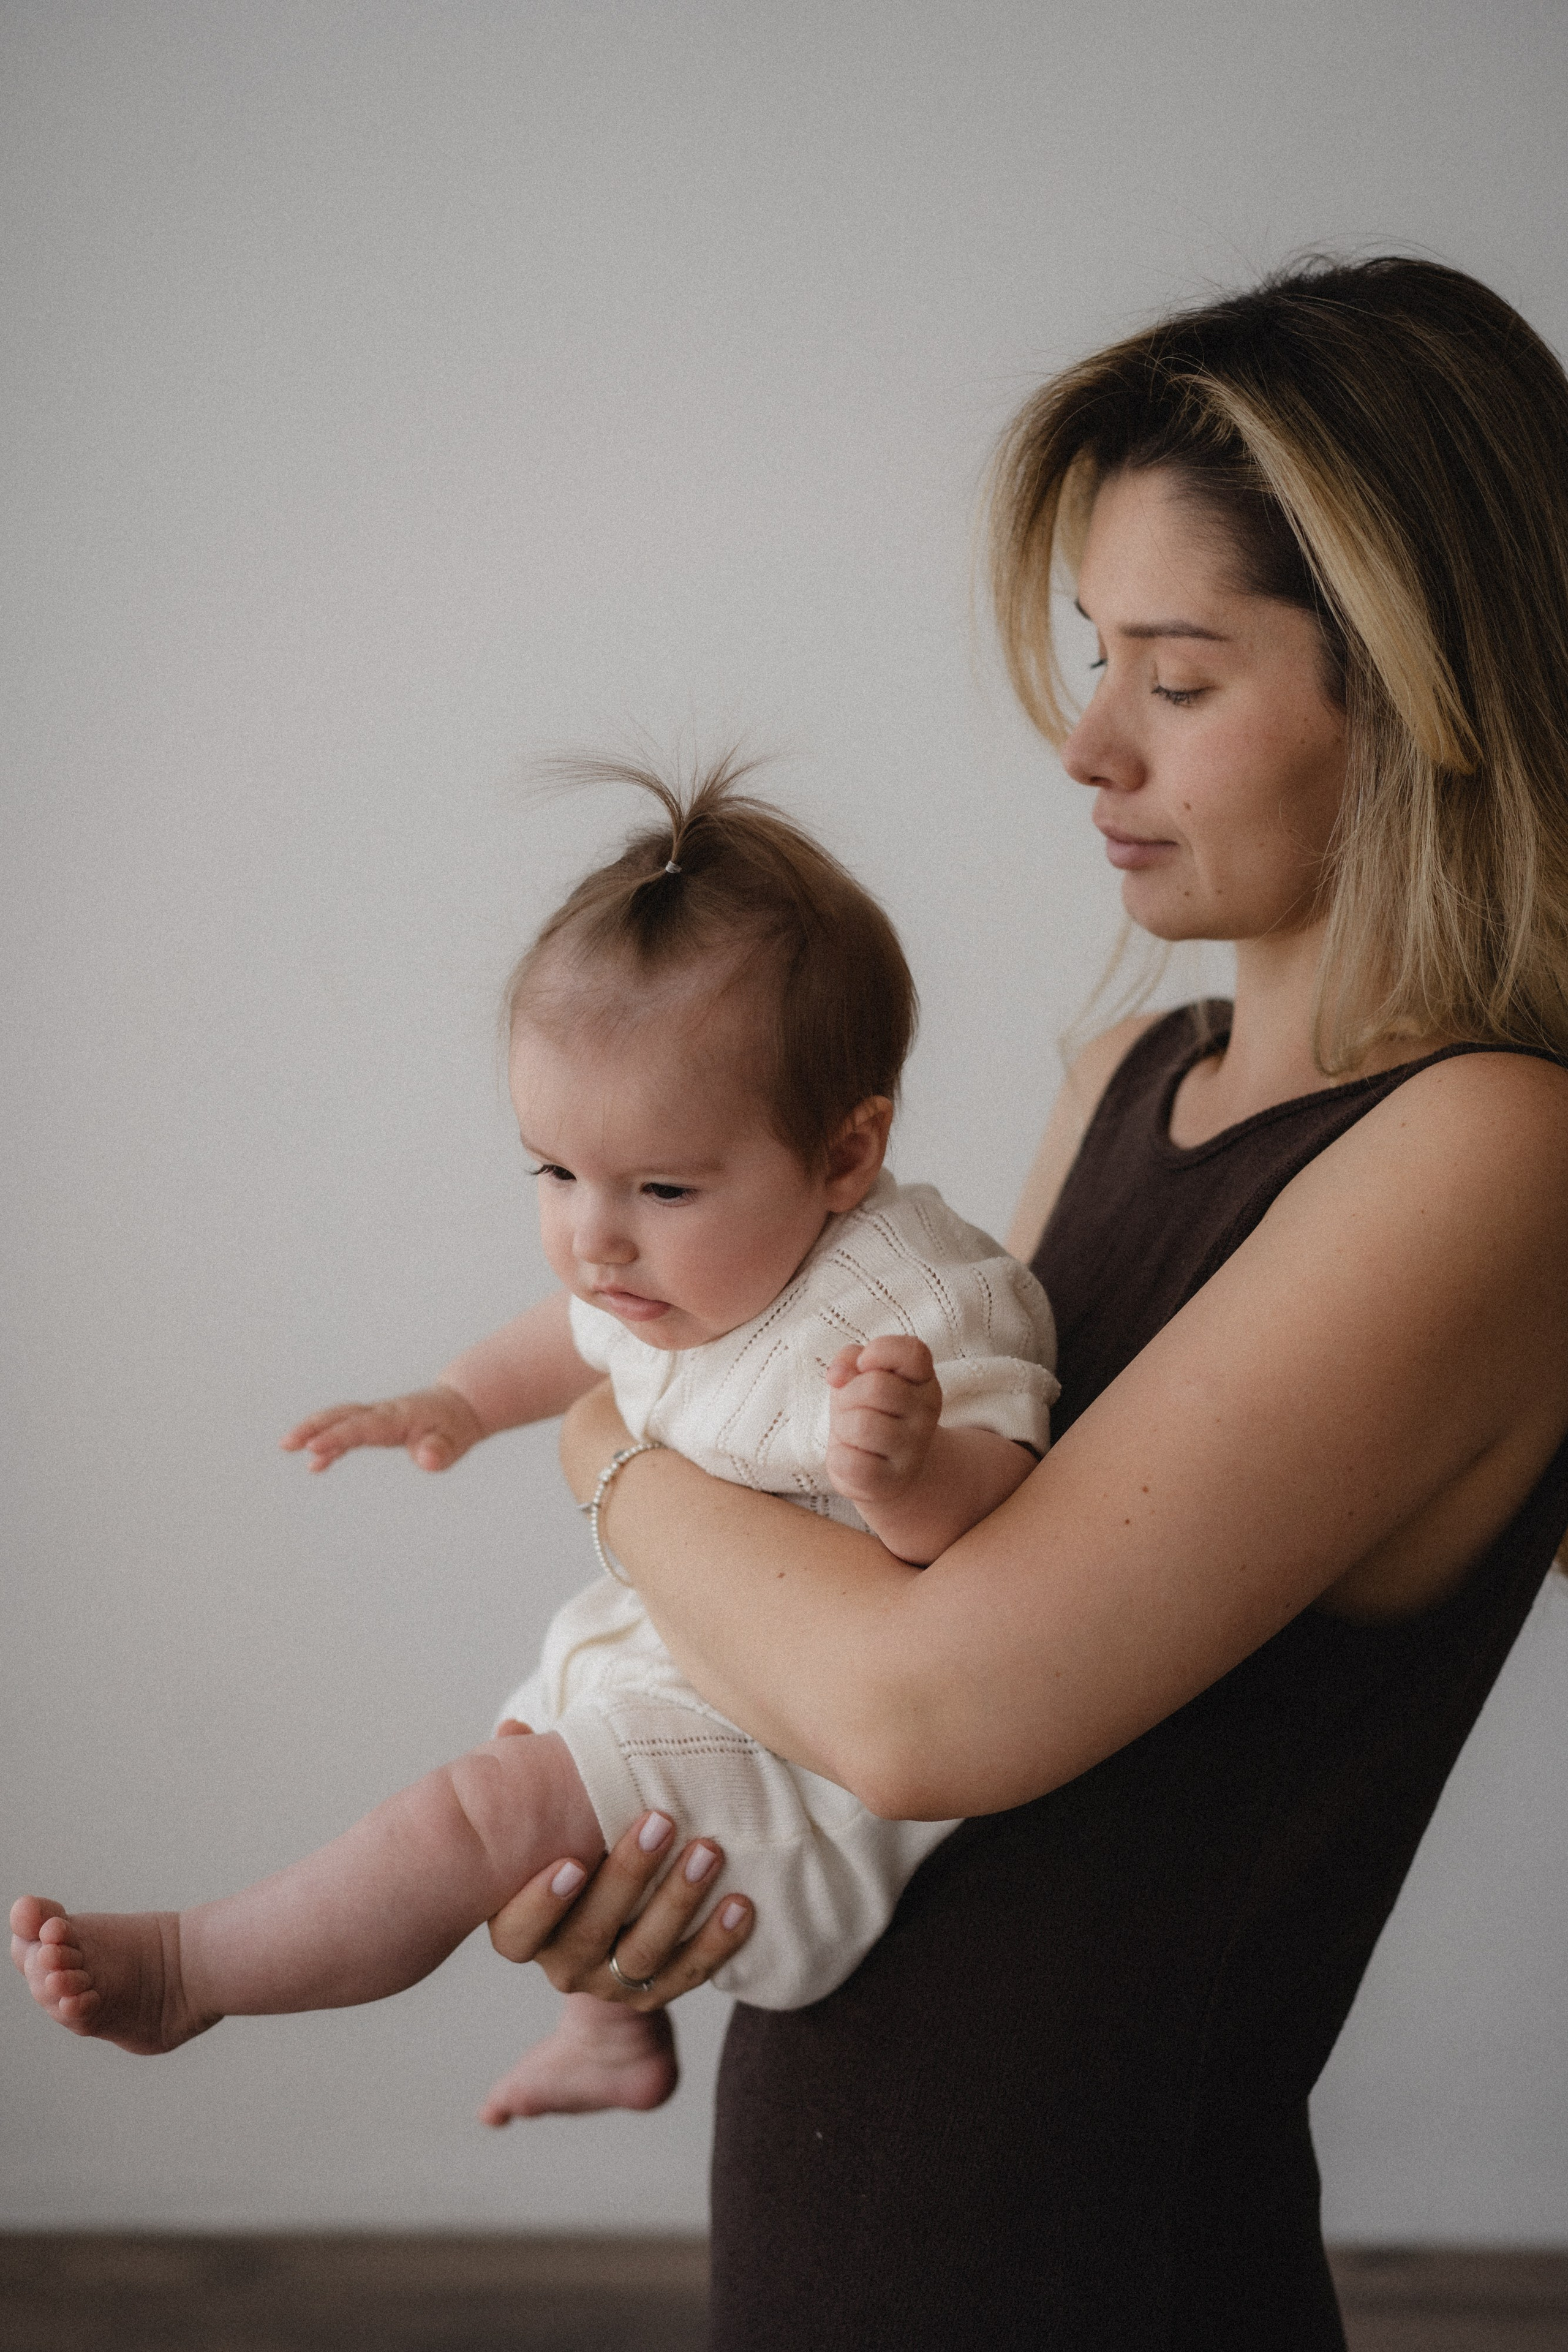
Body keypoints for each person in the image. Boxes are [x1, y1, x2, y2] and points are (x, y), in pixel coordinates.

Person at [475, 258, 1568, 2350]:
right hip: (847, 2215)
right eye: (1093, 657)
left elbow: (930, 1709)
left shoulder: (1490, 1151)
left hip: (1093, 2267)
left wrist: (604, 1435)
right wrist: (658, 1833)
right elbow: (850, 1637)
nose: (1083, 743)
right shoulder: (1125, 1078)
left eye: (1177, 673)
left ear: (1423, 690)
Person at [9, 766, 1058, 2126]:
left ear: (846, 1155)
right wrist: (449, 1401)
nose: (596, 1236)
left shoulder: (915, 1308)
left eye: (660, 1188)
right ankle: (610, 2031)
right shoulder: (672, 1267)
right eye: (554, 1173)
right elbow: (572, 1336)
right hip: (699, 1667)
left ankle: (199, 1968)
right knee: (532, 1735)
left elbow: (1008, 1527)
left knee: (472, 1818)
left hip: (816, 1781)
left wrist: (908, 1470)